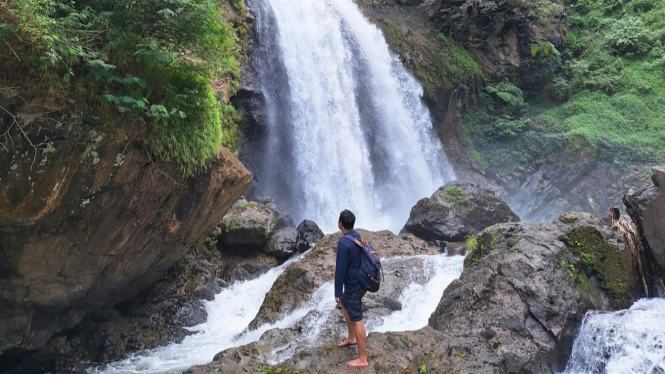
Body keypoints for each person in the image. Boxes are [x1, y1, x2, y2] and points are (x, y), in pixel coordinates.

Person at [334, 209, 369, 368]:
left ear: (340, 224)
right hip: (362, 281)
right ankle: (352, 338)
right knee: (345, 303)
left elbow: (340, 270)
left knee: (357, 318)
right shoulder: (358, 237)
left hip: (354, 285)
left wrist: (336, 292)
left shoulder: (343, 243)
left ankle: (362, 359)